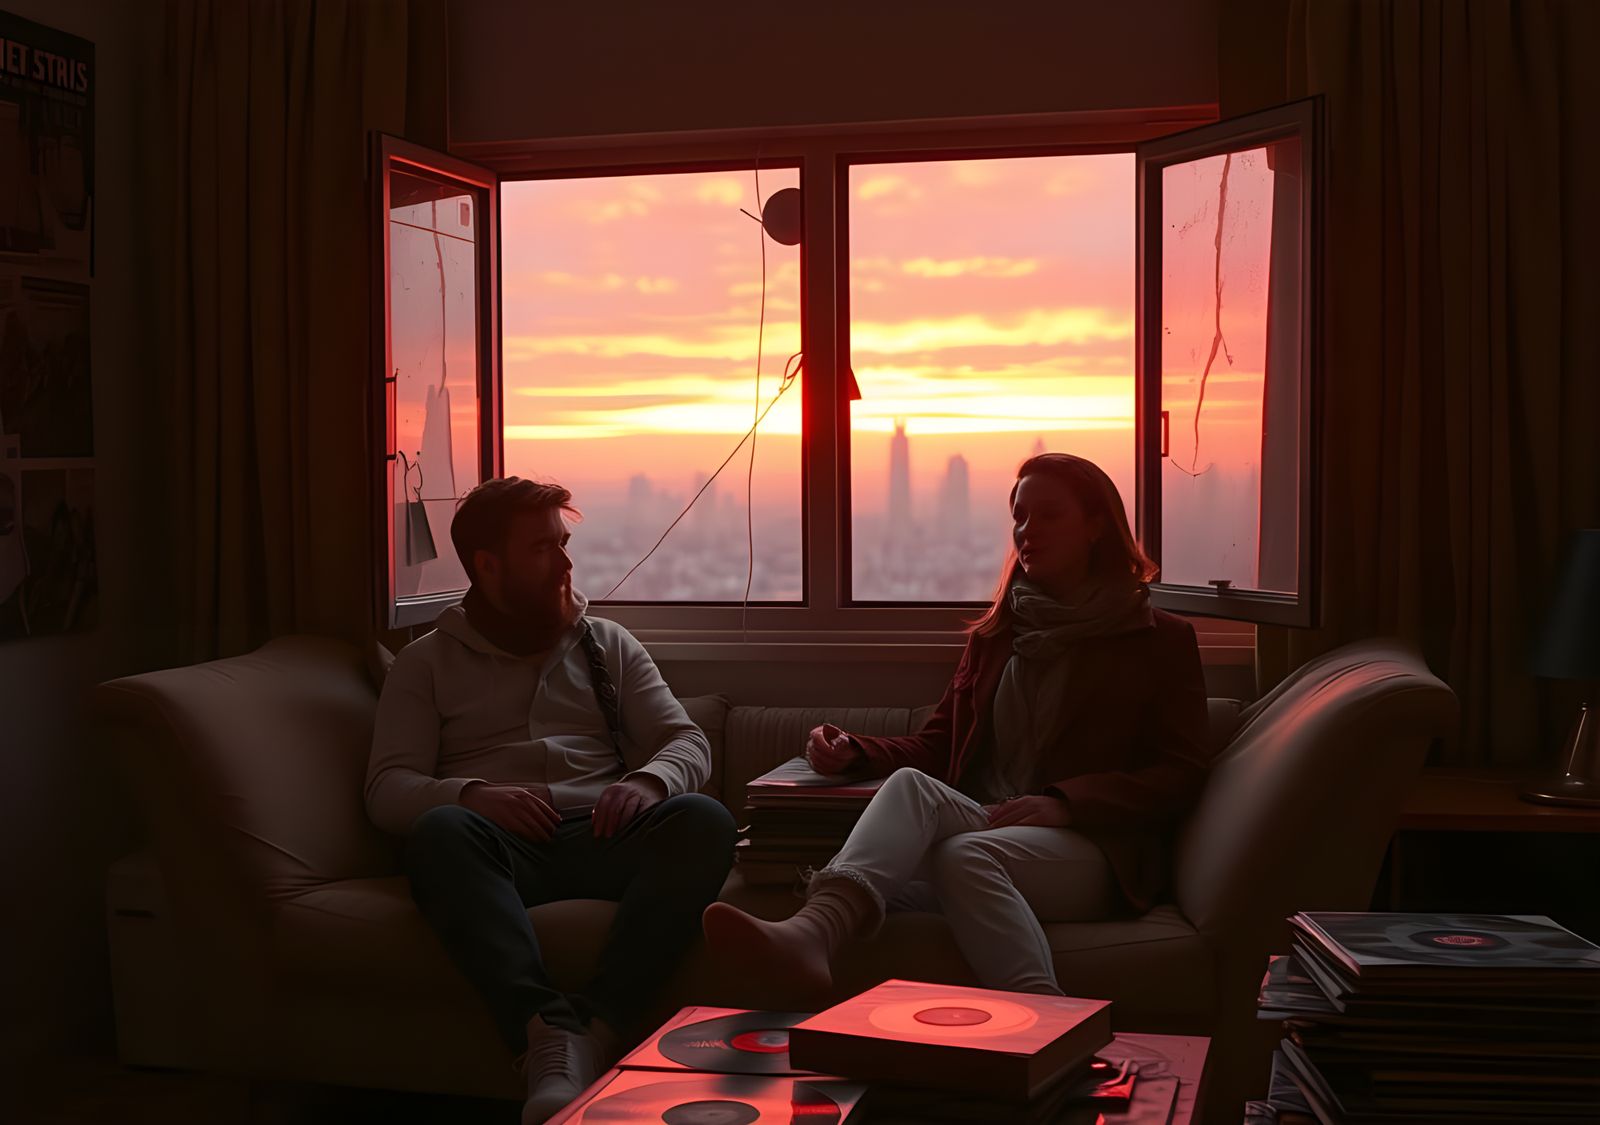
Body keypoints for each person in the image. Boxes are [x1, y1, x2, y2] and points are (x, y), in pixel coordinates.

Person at [703, 452, 1211, 1001]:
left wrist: (1068, 803)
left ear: (1095, 526)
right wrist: (855, 750)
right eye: (1019, 516)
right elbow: (939, 743)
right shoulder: (998, 635)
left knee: (960, 857)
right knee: (904, 819)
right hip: (992, 822)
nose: (1027, 530)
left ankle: (1051, 1022)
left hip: (1091, 848)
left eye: (1048, 515)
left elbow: (1180, 772)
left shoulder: (1160, 639)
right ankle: (814, 937)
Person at [366, 477, 737, 1125]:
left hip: (604, 834)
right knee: (439, 833)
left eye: (564, 544)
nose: (566, 563)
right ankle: (542, 1029)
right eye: (543, 548)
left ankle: (594, 1026)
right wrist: (474, 796)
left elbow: (687, 741)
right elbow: (387, 789)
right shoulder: (424, 663)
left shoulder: (609, 644)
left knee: (703, 819)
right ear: (488, 565)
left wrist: (646, 783)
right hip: (496, 850)